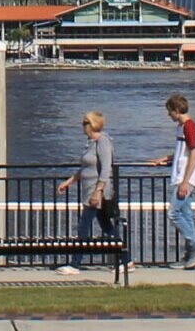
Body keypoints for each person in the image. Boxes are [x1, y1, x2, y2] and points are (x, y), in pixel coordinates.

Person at [144, 94, 195, 269]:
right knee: (186, 215)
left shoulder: (189, 127)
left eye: (170, 112)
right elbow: (183, 153)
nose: (169, 115)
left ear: (177, 110)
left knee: (173, 213)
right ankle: (191, 255)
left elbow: (194, 154)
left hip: (185, 178)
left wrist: (185, 181)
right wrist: (165, 159)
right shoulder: (181, 128)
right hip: (180, 176)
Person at [52, 111, 120, 275]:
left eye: (85, 123)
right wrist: (69, 182)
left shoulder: (103, 141)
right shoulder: (90, 143)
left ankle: (75, 264)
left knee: (83, 227)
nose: (82, 126)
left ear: (93, 124)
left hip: (96, 194)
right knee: (107, 227)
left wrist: (98, 191)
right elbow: (85, 168)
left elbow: (105, 168)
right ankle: (126, 260)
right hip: (88, 190)